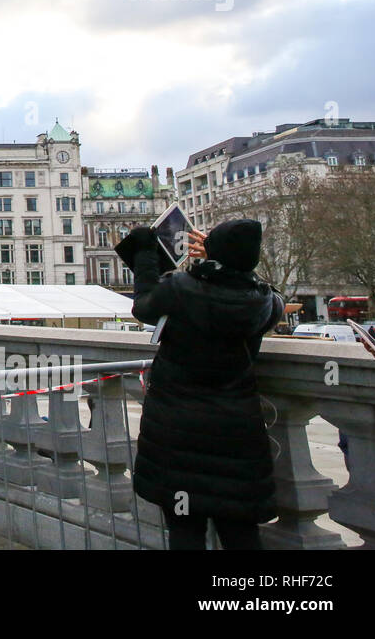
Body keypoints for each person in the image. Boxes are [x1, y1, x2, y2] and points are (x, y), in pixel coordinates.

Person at [115, 218, 284, 549]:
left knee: (185, 528)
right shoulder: (262, 302)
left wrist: (147, 252)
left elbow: (145, 305)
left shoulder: (181, 289)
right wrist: (231, 257)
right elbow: (263, 288)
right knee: (240, 530)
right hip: (236, 432)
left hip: (177, 428)